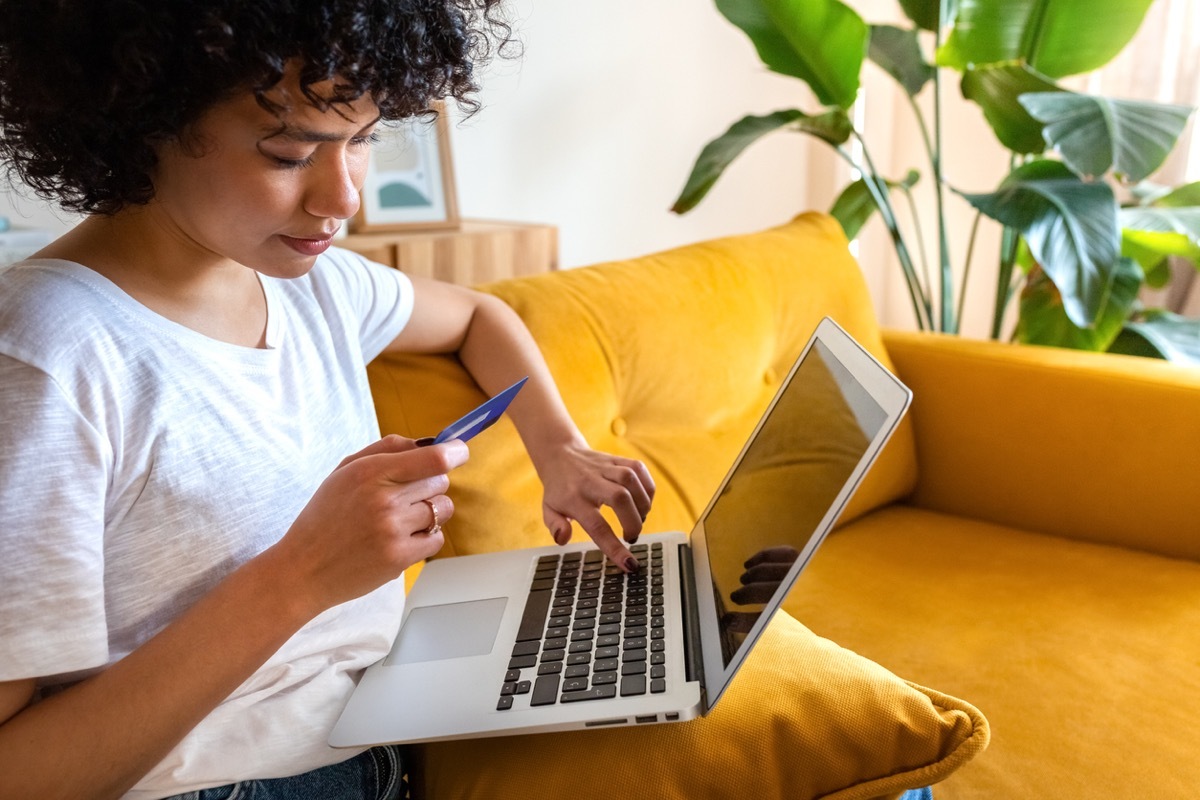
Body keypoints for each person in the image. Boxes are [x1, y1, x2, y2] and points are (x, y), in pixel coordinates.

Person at [0, 2, 655, 798]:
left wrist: (560, 448)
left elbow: (482, 316)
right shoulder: (46, 360)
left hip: (376, 738)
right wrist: (303, 575)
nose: (343, 199)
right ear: (138, 120)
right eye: (288, 154)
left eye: (365, 140)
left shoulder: (313, 286)